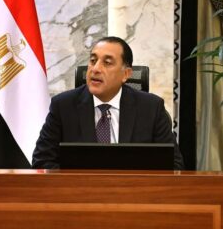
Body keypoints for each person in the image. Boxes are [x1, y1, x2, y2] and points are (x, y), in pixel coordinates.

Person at [32, 36, 184, 170]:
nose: (95, 69)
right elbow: (42, 161)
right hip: (80, 192)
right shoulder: (63, 106)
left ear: (126, 74)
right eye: (93, 61)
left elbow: (174, 165)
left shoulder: (151, 108)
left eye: (107, 63)